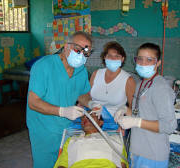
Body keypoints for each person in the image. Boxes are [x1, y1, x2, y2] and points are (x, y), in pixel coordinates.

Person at [27, 31, 98, 168]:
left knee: (65, 163)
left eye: (86, 52)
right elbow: (33, 102)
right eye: (78, 49)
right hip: (44, 130)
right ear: (66, 47)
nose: (81, 55)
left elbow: (81, 94)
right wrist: (62, 111)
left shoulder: (80, 70)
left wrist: (91, 103)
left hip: (67, 129)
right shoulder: (44, 66)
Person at [114, 43, 177, 168]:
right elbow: (142, 114)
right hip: (137, 150)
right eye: (140, 59)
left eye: (149, 60)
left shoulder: (161, 88)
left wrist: (136, 122)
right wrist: (125, 110)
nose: (143, 63)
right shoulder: (141, 84)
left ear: (158, 63)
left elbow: (169, 125)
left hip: (152, 155)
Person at [54, 112, 128, 168]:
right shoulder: (71, 140)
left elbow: (123, 165)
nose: (86, 118)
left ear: (100, 122)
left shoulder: (115, 139)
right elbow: (62, 165)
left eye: (91, 115)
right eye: (83, 117)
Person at [89, 41, 136, 118]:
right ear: (104, 57)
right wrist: (90, 105)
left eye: (117, 56)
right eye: (109, 56)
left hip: (115, 123)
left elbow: (132, 108)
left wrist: (126, 122)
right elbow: (87, 96)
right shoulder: (96, 74)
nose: (113, 59)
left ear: (122, 59)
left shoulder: (128, 80)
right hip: (93, 119)